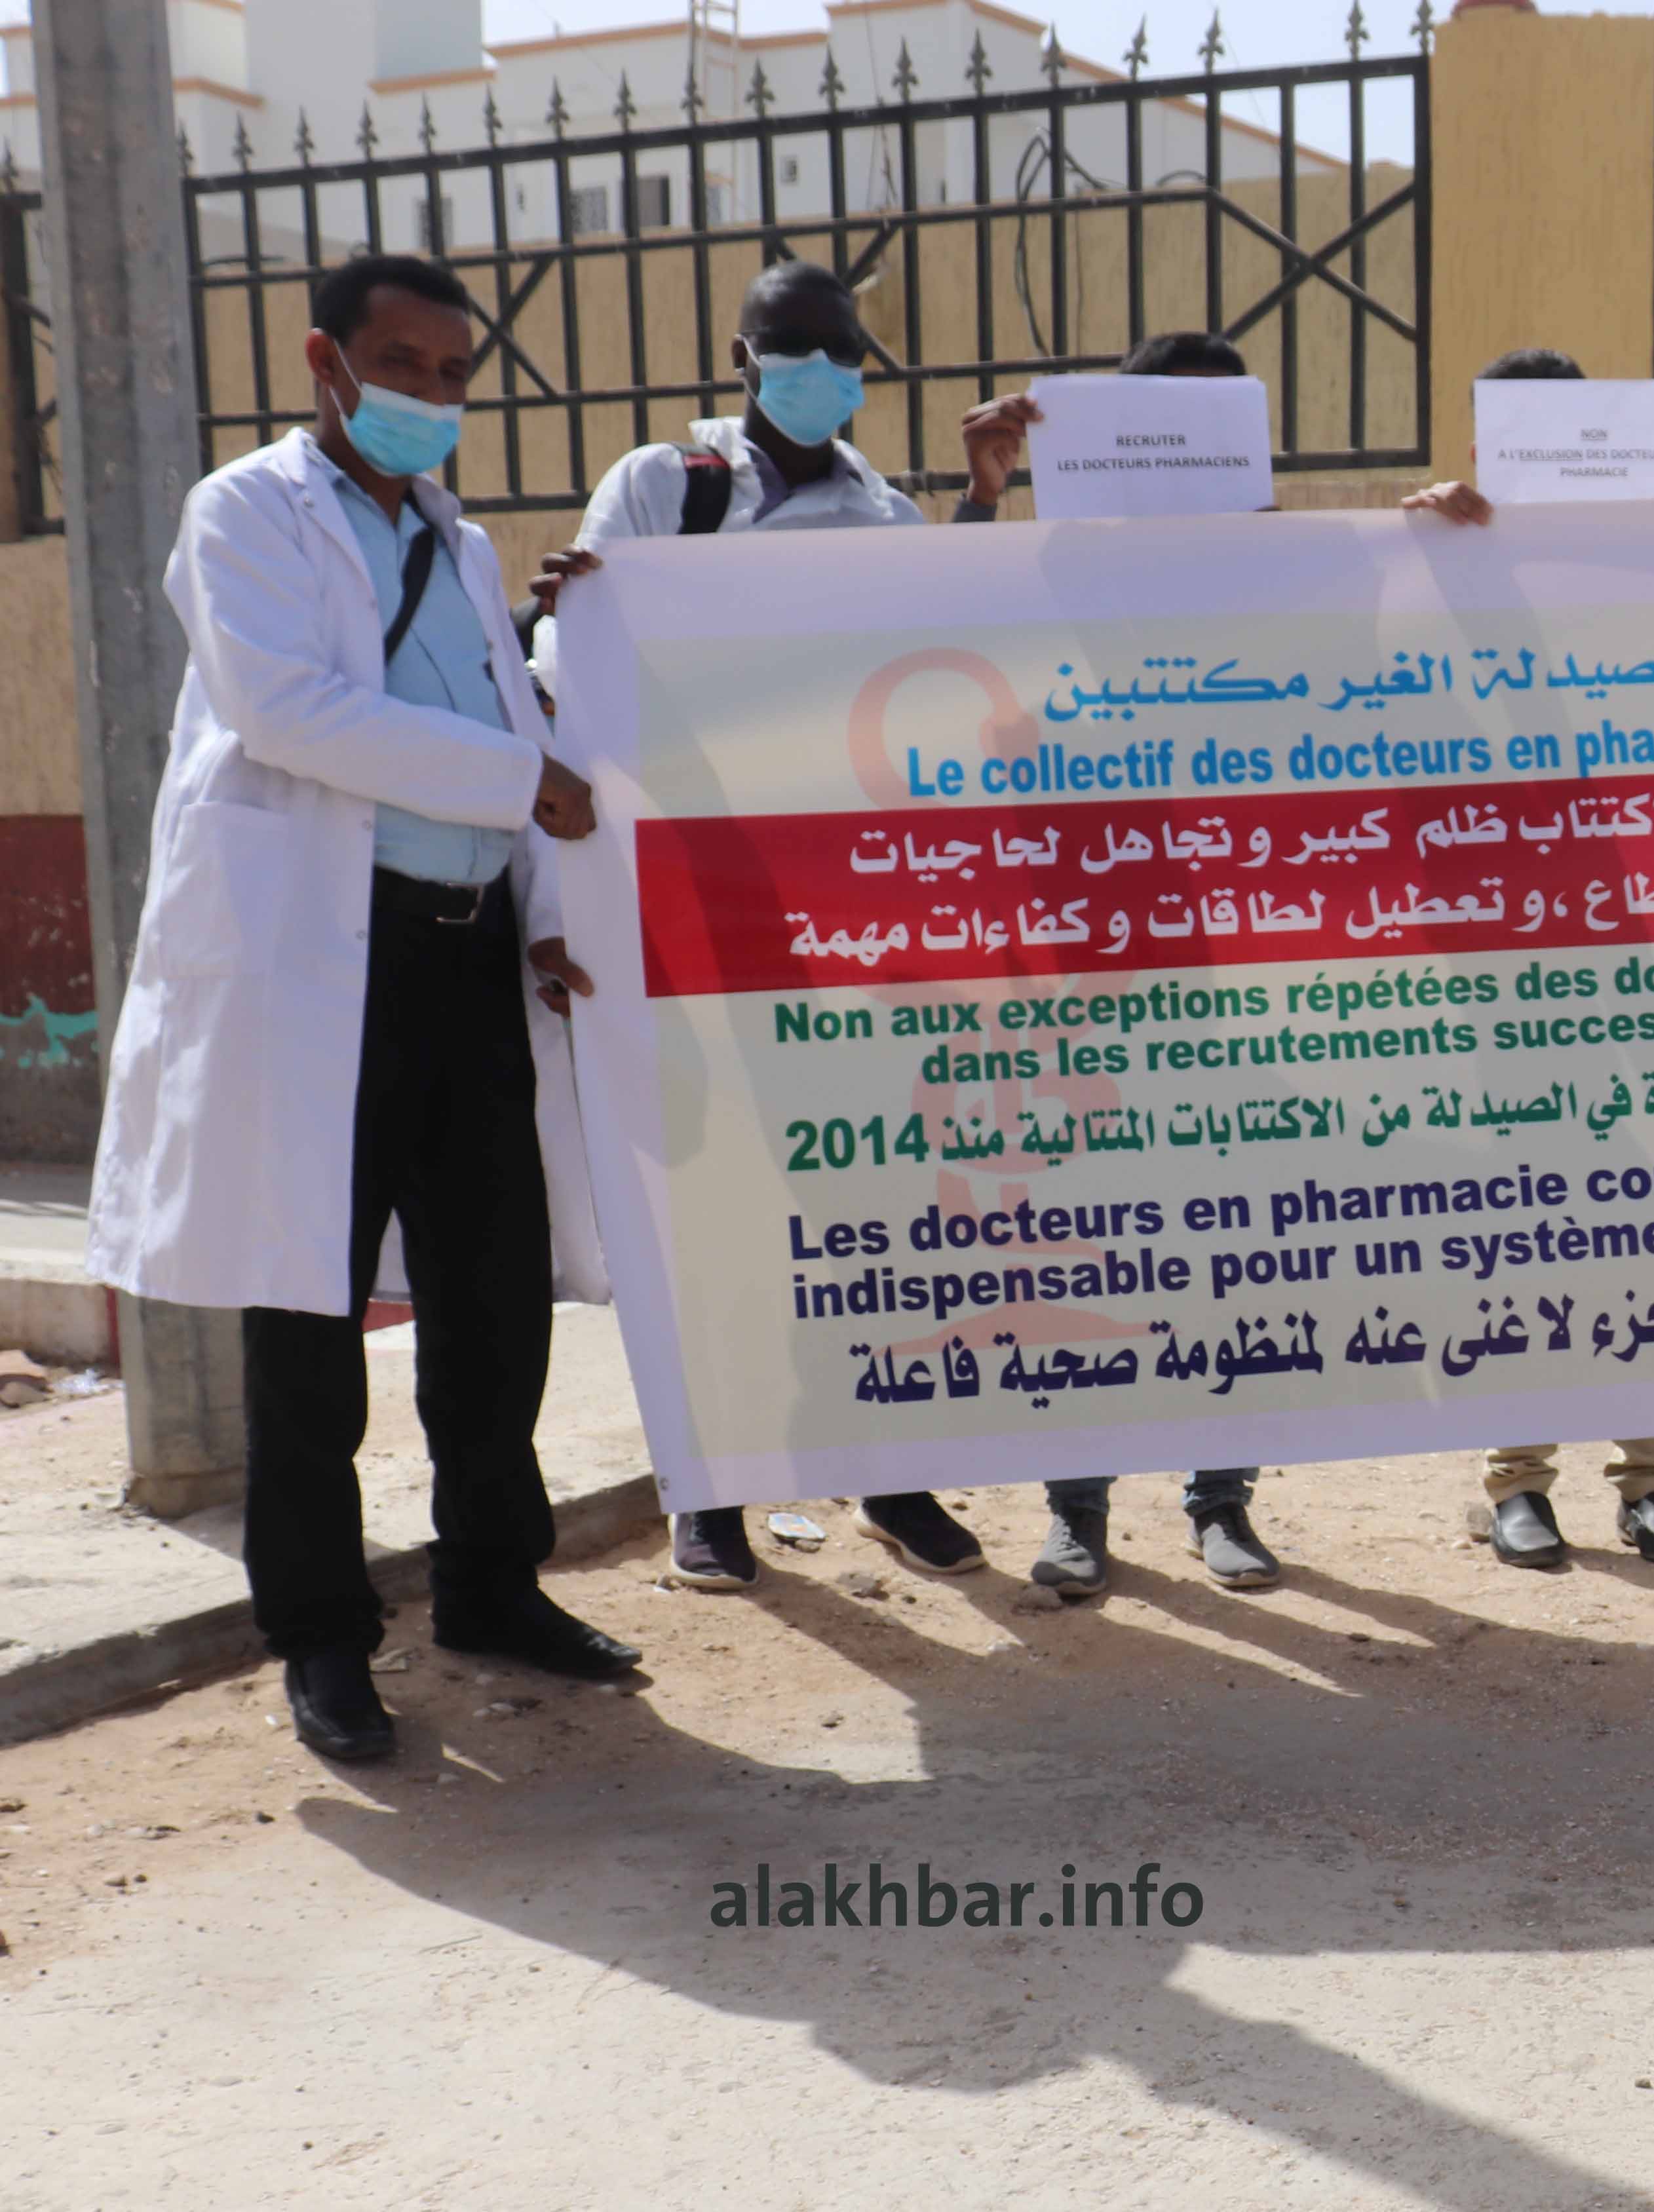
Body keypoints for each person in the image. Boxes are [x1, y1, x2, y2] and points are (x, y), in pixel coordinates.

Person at [87, 253, 635, 1765]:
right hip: (327, 961)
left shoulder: (457, 536)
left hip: (468, 959)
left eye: (454, 374)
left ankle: (491, 1583)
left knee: (492, 1294)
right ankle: (322, 1634)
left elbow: (503, 714)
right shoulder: (246, 513)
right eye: (403, 364)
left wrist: (547, 909)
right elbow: (290, 713)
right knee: (310, 1315)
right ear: (324, 361)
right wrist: (522, 779)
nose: (431, 396)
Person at [534, 260, 1008, 1595]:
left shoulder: (885, 514)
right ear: (742, 360)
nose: (818, 370)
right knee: (706, 1199)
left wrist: (983, 502)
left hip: (842, 904)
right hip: (683, 889)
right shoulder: (663, 486)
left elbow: (946, 649)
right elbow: (577, 677)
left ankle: (883, 1469)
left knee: (862, 1193)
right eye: (790, 348)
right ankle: (708, 1488)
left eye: (839, 349)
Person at [1401, 345, 1654, 1571]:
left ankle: (1650, 1479)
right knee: (1527, 1208)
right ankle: (1516, 1479)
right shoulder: (1433, 555)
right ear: (1485, 447)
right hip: (1510, 954)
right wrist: (1415, 549)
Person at [950, 331, 1288, 1597]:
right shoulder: (1052, 567)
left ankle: (1221, 1498)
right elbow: (930, 637)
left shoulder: (1287, 573)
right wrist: (985, 497)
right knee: (1083, 1234)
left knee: (1230, 1238)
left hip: (1241, 972)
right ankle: (1077, 1508)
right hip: (1081, 961)